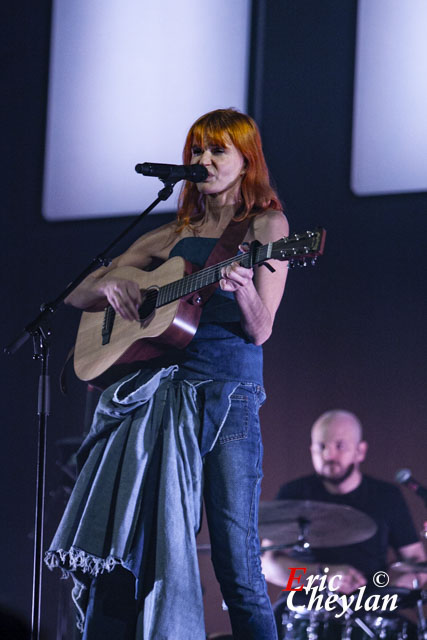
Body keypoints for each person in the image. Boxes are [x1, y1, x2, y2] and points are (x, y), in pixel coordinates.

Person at [45, 108, 289, 640]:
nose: (203, 160)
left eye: (216, 150)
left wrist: (244, 289)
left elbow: (263, 329)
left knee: (237, 564)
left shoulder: (267, 226)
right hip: (162, 399)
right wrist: (112, 287)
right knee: (135, 547)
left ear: (246, 158)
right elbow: (78, 291)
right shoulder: (176, 231)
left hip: (229, 400)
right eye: (197, 151)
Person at [262, 410, 427, 636]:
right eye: (321, 446)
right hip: (306, 610)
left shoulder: (387, 496)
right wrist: (322, 575)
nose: (329, 455)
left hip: (371, 610)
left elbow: (417, 562)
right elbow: (267, 565)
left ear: (360, 451)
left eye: (339, 446)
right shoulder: (294, 493)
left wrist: (384, 584)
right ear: (311, 450)